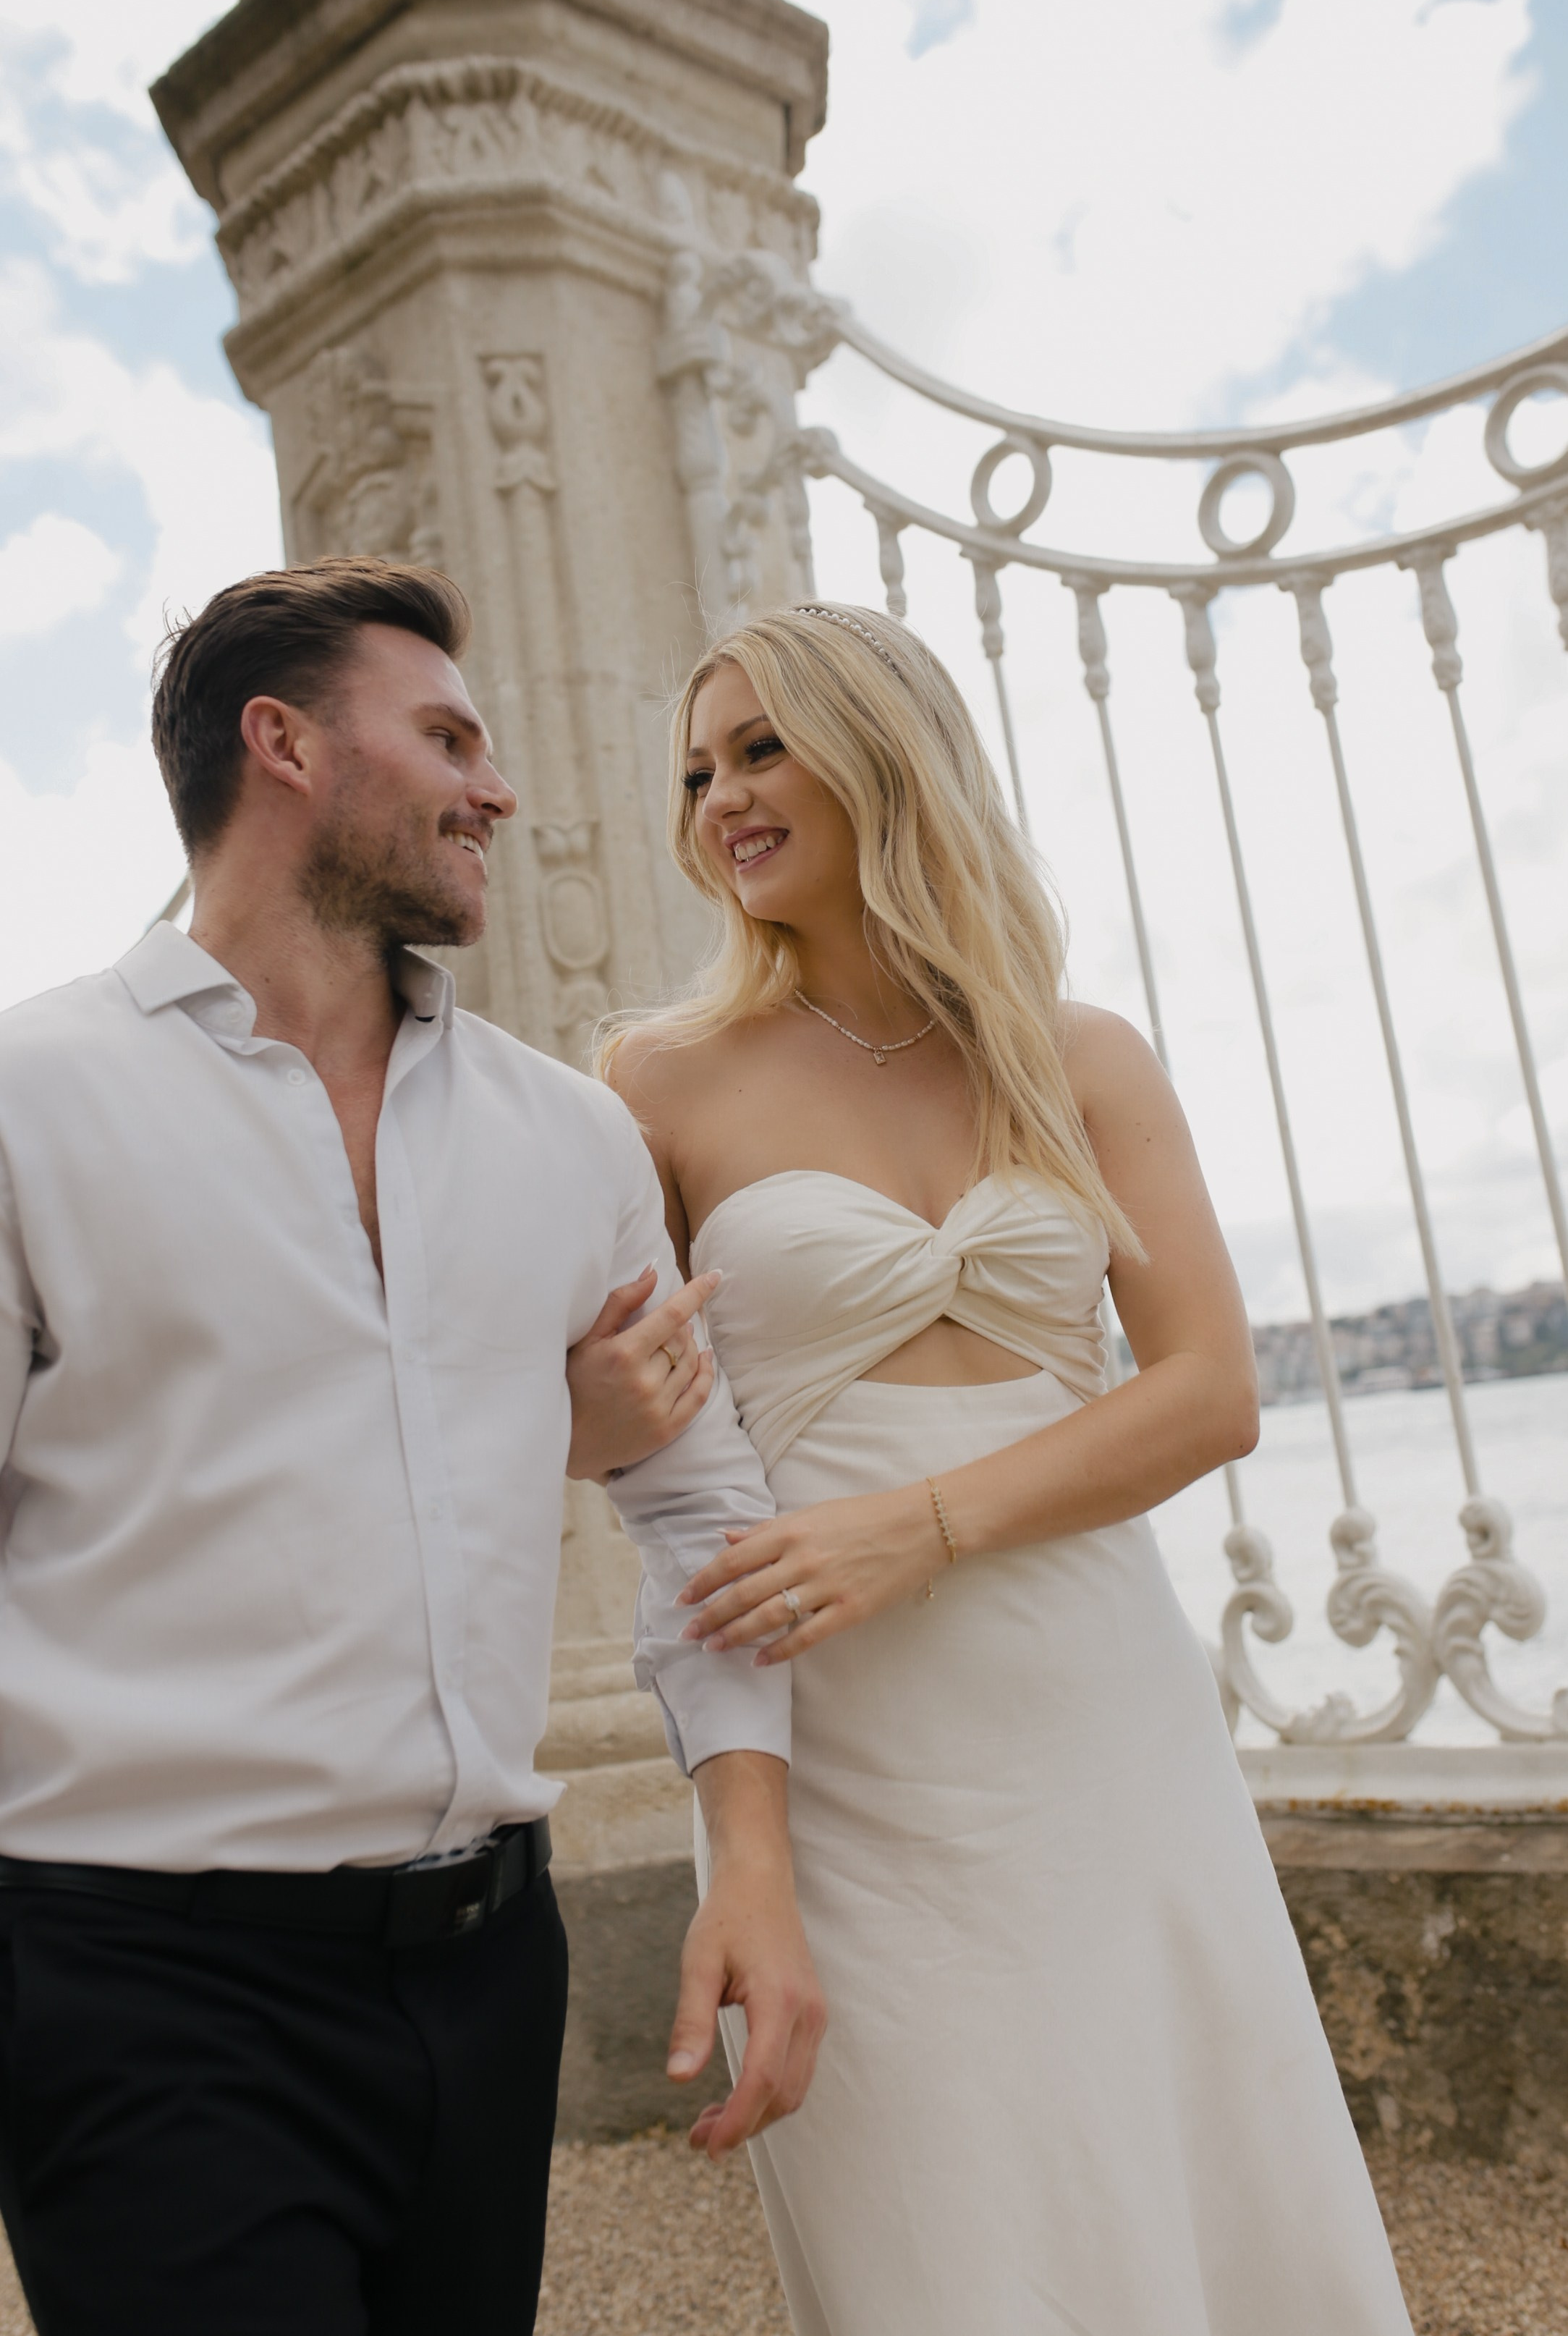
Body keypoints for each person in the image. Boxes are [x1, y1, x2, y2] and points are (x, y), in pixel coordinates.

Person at [0, 559, 823, 2336]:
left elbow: (698, 1508)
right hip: (135, 1978)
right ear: (282, 743)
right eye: (447, 734)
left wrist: (750, 1857)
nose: (499, 788)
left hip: (484, 1972)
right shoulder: (28, 1100)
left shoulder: (574, 1133)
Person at [601, 599, 1415, 2336]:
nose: (719, 798)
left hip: (1103, 1714)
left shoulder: (1078, 1051)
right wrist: (740, 1846)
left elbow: (1208, 1392)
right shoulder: (653, 1083)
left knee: (1202, 2179)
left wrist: (922, 1524)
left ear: (887, 748)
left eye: (759, 746)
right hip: (845, 1752)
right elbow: (659, 1478)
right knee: (951, 2248)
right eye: (693, 770)